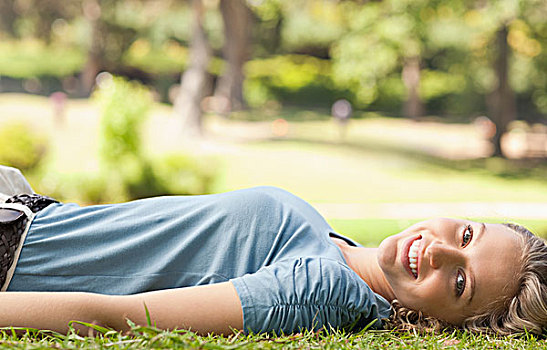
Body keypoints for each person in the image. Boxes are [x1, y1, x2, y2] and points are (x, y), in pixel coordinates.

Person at [0, 166, 545, 336]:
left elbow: (119, 318)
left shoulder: (323, 292)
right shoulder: (343, 253)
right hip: (24, 205)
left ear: (438, 324)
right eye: (468, 236)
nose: (440, 251)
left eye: (459, 283)